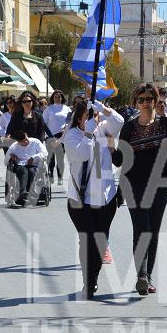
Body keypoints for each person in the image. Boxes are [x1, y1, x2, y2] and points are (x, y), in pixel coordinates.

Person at [114, 84, 167, 296]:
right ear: (136, 102)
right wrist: (111, 149)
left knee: (153, 230)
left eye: (149, 99)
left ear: (155, 100)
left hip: (160, 183)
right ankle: (142, 276)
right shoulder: (128, 127)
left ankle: (148, 276)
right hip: (133, 183)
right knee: (142, 228)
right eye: (141, 99)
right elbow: (120, 160)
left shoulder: (166, 123)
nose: (145, 103)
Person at [64, 97, 124, 299]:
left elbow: (120, 122)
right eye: (89, 115)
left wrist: (104, 109)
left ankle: (93, 278)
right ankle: (87, 281)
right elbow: (80, 155)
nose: (94, 118)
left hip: (106, 197)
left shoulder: (103, 129)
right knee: (86, 240)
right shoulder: (72, 135)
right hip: (80, 199)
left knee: (100, 240)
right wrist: (88, 133)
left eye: (95, 115)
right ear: (80, 118)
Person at [4, 129, 47, 207]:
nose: (26, 142)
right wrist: (11, 157)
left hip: (34, 165)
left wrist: (34, 157)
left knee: (31, 171)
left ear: (27, 135)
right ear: (18, 142)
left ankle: (31, 193)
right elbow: (6, 161)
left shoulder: (35, 142)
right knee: (23, 171)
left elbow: (44, 152)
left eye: (26, 139)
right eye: (23, 142)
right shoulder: (14, 146)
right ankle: (23, 192)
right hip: (21, 165)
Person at [42, 90, 71, 185]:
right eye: (56, 97)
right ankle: (50, 176)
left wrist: (65, 129)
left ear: (62, 98)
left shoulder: (67, 109)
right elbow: (43, 123)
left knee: (60, 158)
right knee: (50, 158)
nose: (58, 98)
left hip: (62, 136)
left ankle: (60, 177)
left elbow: (70, 122)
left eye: (59, 97)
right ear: (53, 98)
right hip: (50, 136)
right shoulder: (48, 109)